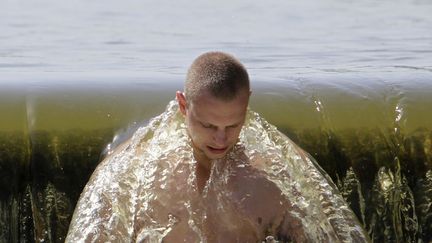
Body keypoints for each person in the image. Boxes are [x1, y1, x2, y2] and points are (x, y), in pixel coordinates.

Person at [66, 52, 369, 242]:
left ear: (247, 103)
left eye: (233, 125)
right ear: (183, 105)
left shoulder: (278, 175)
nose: (221, 139)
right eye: (209, 126)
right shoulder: (132, 173)